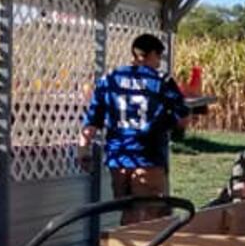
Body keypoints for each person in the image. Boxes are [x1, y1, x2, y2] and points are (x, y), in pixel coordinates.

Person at [80, 33, 190, 225]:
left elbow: (92, 121)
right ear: (152, 54)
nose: (158, 64)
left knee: (128, 211)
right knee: (151, 214)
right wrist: (168, 121)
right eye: (158, 58)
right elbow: (183, 119)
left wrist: (83, 148)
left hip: (118, 157)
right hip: (148, 156)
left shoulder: (110, 80)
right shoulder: (161, 81)